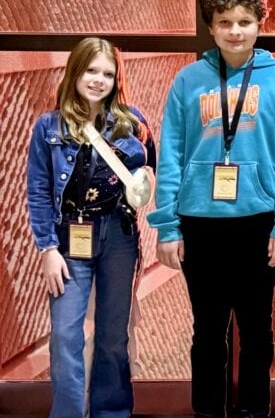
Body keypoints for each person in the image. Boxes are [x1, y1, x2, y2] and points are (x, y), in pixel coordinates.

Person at [148, 0, 275, 418]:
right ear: (211, 28)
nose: (235, 31)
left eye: (244, 21)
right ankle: (208, 411)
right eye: (224, 22)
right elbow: (172, 155)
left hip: (258, 220)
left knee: (257, 330)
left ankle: (255, 410)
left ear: (259, 23)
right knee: (208, 330)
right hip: (199, 222)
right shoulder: (188, 80)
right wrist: (167, 226)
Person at [27, 37, 156, 418]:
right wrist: (47, 249)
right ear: (75, 72)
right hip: (68, 238)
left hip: (118, 235)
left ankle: (111, 412)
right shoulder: (48, 126)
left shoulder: (133, 123)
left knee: (113, 335)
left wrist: (144, 177)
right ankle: (67, 412)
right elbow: (38, 189)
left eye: (108, 73)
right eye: (91, 70)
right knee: (66, 333)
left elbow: (154, 173)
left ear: (117, 79)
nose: (99, 80)